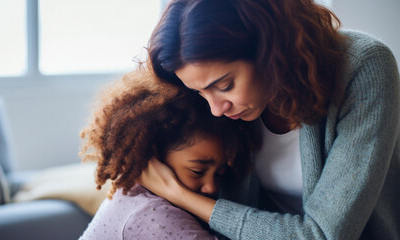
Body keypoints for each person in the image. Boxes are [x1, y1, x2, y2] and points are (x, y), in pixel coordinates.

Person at [139, 0, 400, 239]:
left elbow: (322, 235)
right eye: (200, 92)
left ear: (269, 48)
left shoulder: (364, 67)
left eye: (226, 85)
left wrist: (179, 195)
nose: (216, 109)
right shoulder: (218, 109)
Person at [78, 70, 256, 239]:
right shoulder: (152, 215)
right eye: (197, 171)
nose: (212, 187)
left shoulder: (137, 197)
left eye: (219, 174)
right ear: (153, 156)